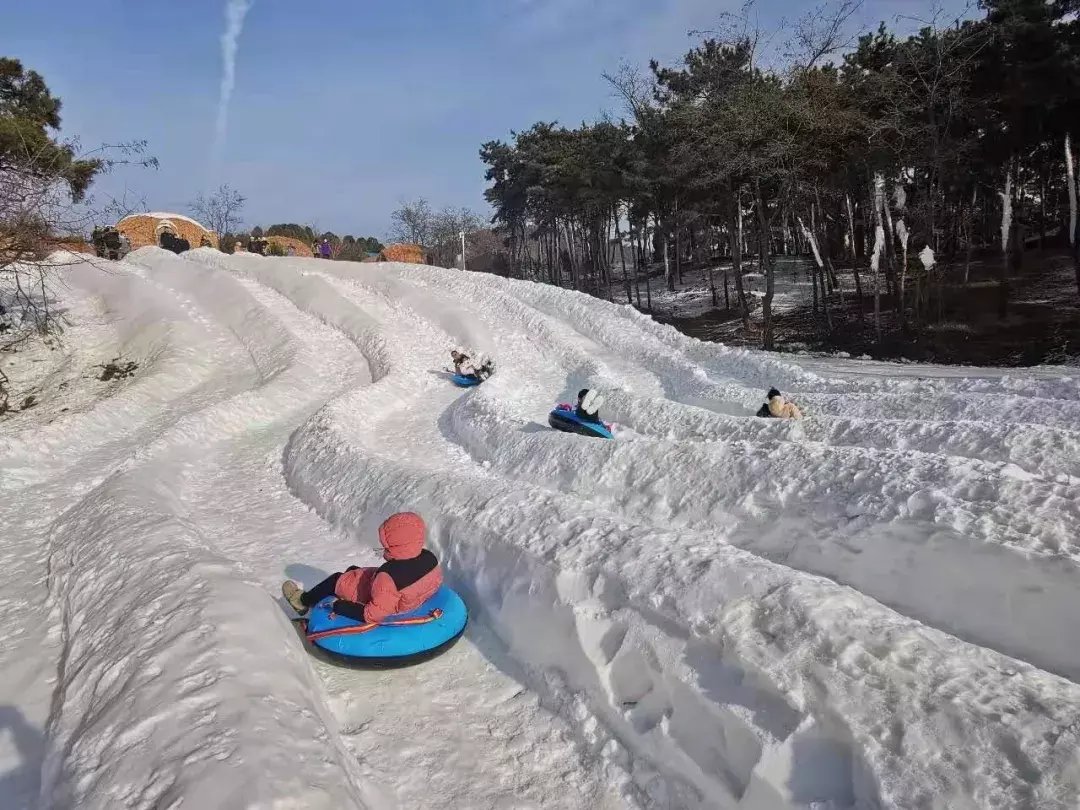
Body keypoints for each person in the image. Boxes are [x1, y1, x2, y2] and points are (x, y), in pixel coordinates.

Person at [281, 512, 443, 623]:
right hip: (407, 597)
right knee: (353, 570)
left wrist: (340, 606)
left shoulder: (388, 577)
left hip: (389, 602)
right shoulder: (429, 557)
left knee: (336, 579)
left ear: (396, 545)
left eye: (387, 545)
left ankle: (301, 601)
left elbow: (372, 614)